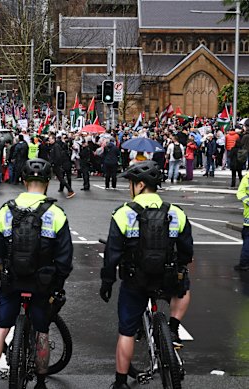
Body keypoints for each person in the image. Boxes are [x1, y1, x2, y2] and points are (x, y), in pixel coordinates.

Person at [0, 158, 73, 389]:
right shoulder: (56, 213)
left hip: (12, 279)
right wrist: (57, 284)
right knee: (41, 332)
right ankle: (40, 382)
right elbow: (64, 257)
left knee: (1, 329)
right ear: (48, 182)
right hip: (42, 282)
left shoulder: (6, 210)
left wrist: (4, 275)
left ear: (23, 180)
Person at [100, 161, 193, 389]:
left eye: (131, 184)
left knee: (127, 332)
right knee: (184, 287)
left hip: (135, 280)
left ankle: (120, 381)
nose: (129, 188)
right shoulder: (176, 213)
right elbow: (186, 251)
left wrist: (107, 281)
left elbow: (112, 253)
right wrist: (179, 268)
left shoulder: (123, 213)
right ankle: (172, 327)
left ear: (140, 185)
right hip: (167, 277)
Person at [235, 171, 249, 271]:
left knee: (247, 240)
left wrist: (247, 201)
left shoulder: (247, 178)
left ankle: (244, 263)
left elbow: (240, 193)